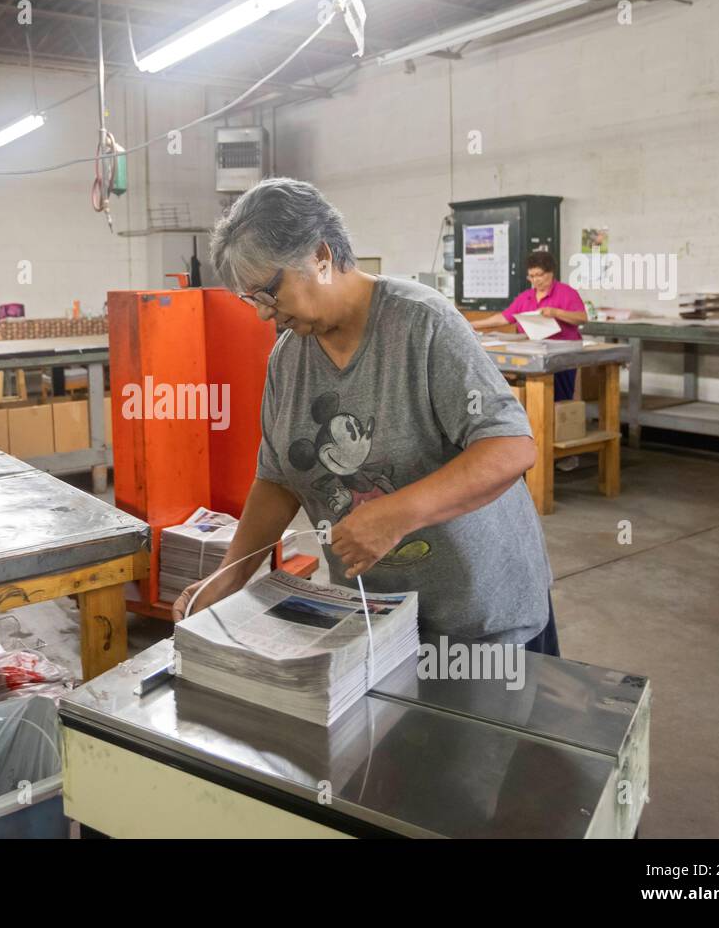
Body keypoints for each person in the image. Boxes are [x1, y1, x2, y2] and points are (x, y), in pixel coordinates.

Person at [173, 178, 559, 657]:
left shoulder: (422, 323)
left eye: (269, 294)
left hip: (481, 621)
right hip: (376, 620)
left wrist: (397, 514)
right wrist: (229, 576)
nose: (262, 315)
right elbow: (277, 479)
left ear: (320, 256)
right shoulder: (288, 357)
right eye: (251, 300)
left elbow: (510, 447)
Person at [470, 251, 587, 402]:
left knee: (560, 397)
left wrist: (556, 312)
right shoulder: (526, 297)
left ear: (551, 272)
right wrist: (472, 324)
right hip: (533, 352)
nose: (536, 280)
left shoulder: (567, 293)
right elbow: (504, 317)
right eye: (531, 276)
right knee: (531, 396)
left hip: (561, 354)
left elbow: (582, 318)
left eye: (539, 275)